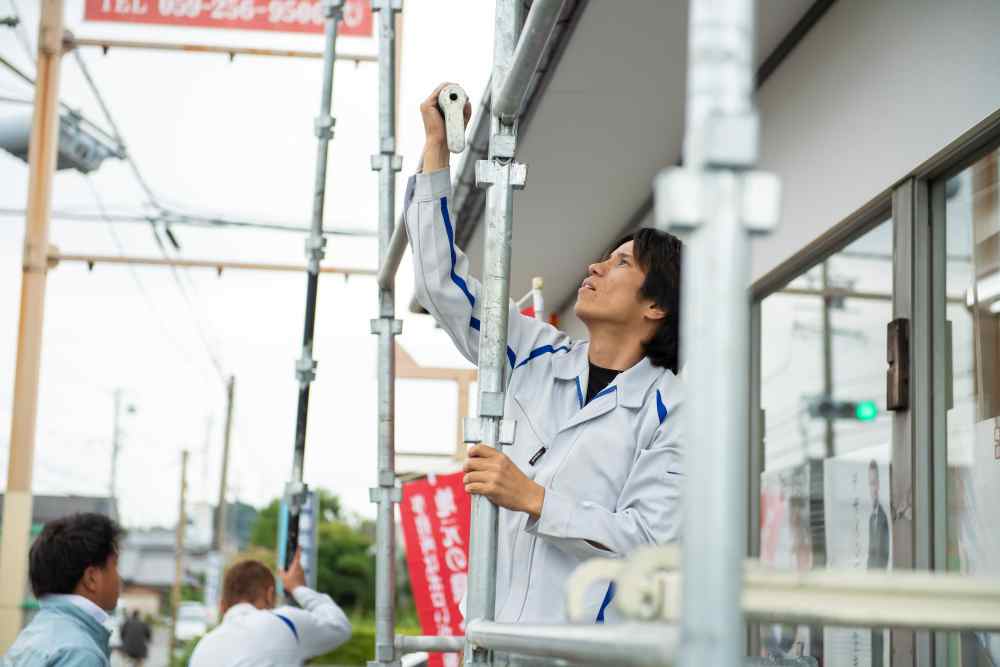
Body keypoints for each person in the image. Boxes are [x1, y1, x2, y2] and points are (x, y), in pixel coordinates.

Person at [404, 83, 686, 623]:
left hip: (579, 655)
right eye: (604, 258)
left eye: (622, 263)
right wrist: (437, 149)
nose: (596, 267)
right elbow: (440, 285)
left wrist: (534, 498)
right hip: (490, 641)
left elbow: (648, 543)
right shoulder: (532, 352)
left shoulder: (673, 409)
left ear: (657, 306)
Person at [188, 550, 351, 666]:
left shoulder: (201, 650)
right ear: (270, 595)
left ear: (222, 605)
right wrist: (298, 588)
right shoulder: (286, 622)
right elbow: (339, 626)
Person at [4, 513, 122, 666]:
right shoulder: (81, 653)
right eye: (115, 565)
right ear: (91, 578)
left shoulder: (31, 635)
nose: (120, 577)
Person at [867, 459, 890, 667]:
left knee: (878, 637)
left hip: (879, 588)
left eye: (874, 483)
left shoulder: (882, 517)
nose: (871, 488)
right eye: (869, 483)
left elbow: (884, 555)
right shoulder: (871, 518)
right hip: (871, 589)